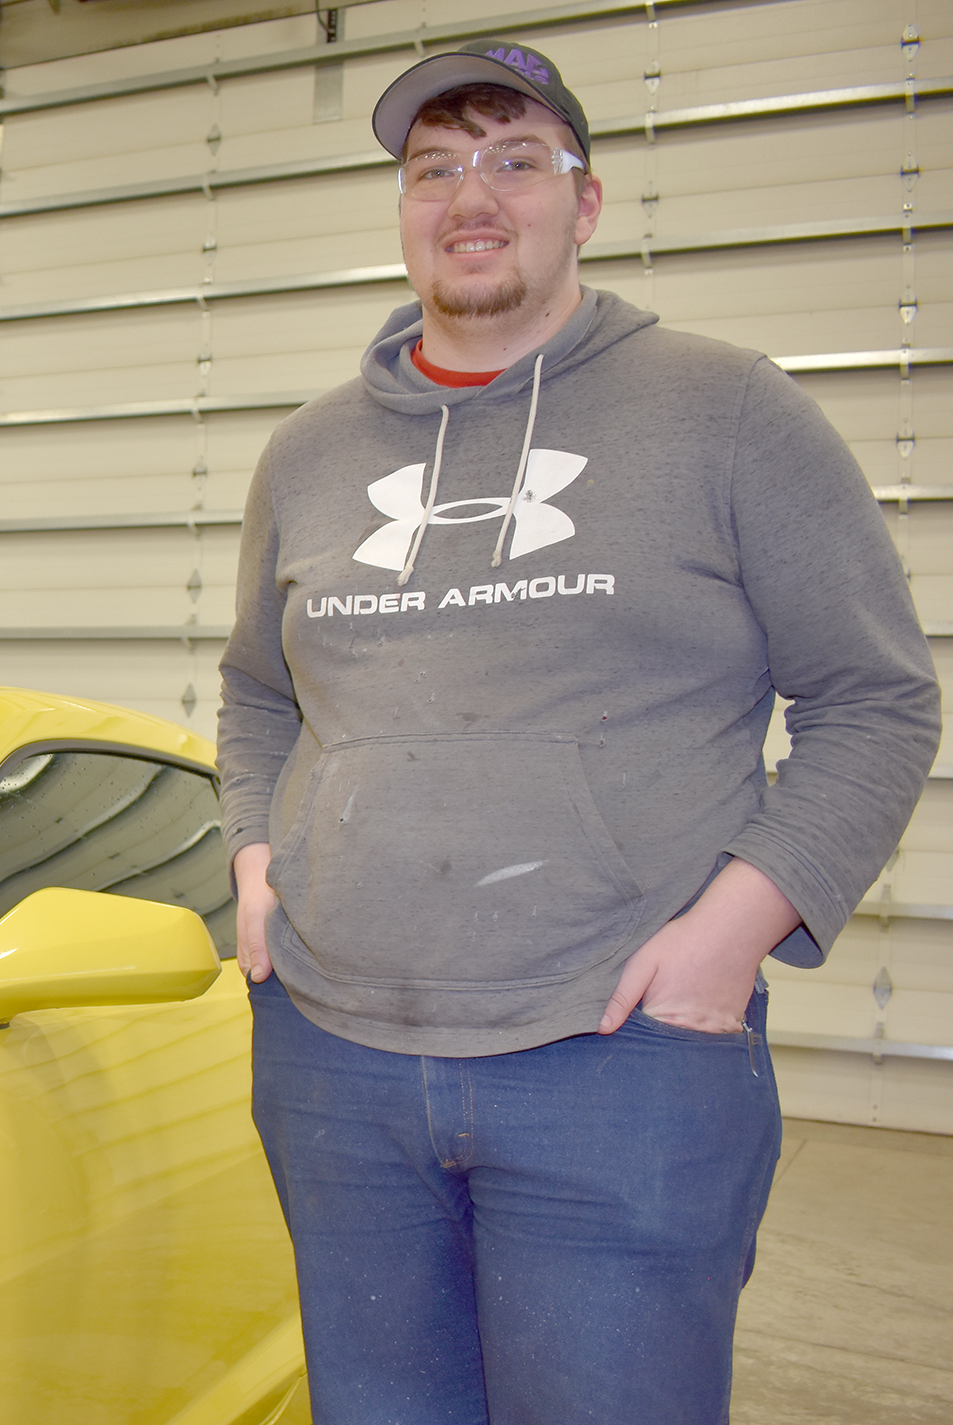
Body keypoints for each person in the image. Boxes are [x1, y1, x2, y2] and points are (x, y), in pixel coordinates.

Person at [215, 38, 939, 1425]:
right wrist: (255, 856)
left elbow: (878, 694)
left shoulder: (729, 412)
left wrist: (736, 926)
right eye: (434, 167)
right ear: (404, 206)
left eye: (514, 160)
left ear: (585, 203)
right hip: (333, 1053)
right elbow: (259, 687)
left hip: (621, 1054)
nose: (470, 195)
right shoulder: (309, 454)